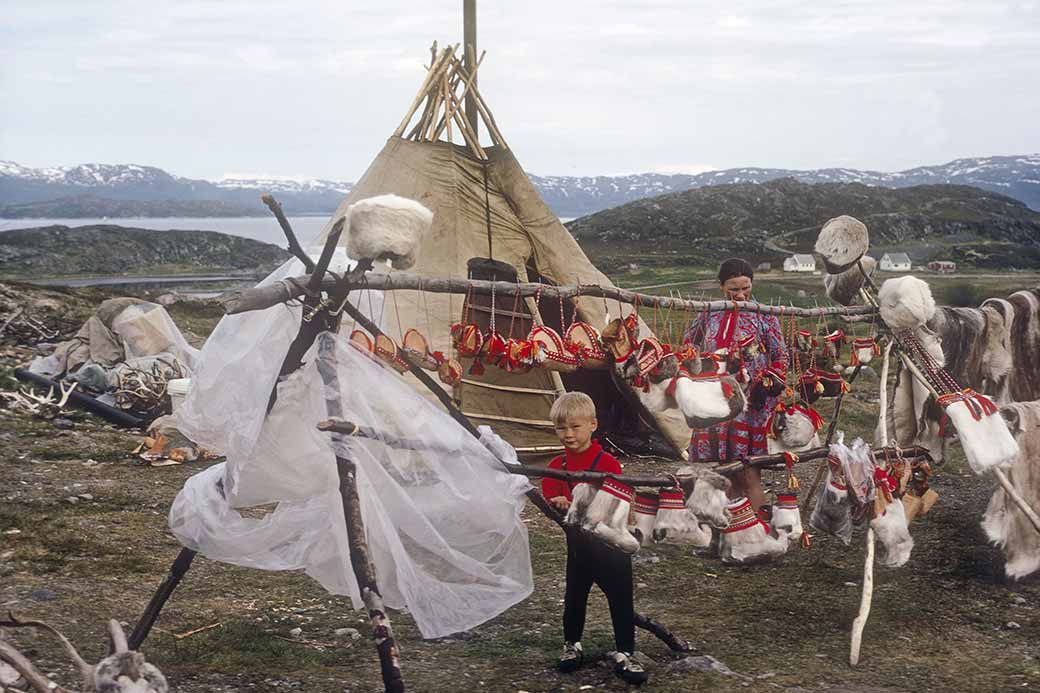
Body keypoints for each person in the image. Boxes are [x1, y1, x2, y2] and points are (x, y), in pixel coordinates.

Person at [541, 392, 648, 685]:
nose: (568, 434)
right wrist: (558, 499)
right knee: (575, 595)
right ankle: (572, 644)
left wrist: (580, 501)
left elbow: (615, 503)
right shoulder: (557, 464)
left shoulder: (607, 463)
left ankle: (626, 651)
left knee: (620, 599)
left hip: (611, 545)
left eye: (575, 427)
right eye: (561, 428)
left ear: (592, 425)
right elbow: (550, 487)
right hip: (578, 546)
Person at [683, 258, 788, 511]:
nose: (740, 295)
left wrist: (768, 384)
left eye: (745, 288)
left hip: (751, 404)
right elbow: (689, 344)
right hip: (716, 401)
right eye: (733, 289)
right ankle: (729, 533)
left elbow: (780, 356)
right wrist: (698, 369)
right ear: (721, 286)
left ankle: (759, 530)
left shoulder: (765, 315)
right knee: (723, 471)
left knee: (748, 471)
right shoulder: (709, 312)